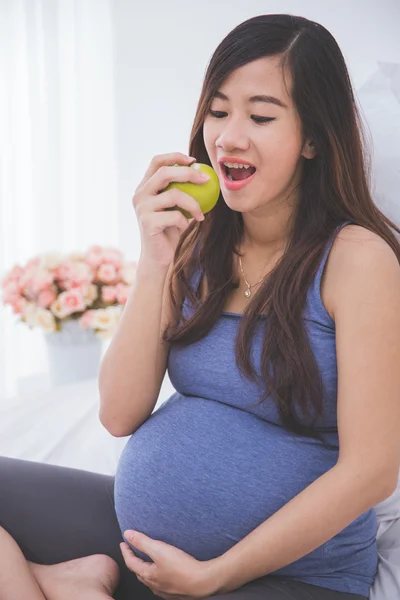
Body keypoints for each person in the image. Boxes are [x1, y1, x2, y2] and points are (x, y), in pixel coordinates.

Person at [1, 12, 399, 600]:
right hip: (146, 548)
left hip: (287, 577)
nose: (228, 136)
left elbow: (371, 470)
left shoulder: (357, 260)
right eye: (217, 111)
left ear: (313, 137)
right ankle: (76, 582)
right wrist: (155, 258)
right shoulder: (197, 238)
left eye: (261, 116)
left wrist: (216, 574)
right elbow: (119, 413)